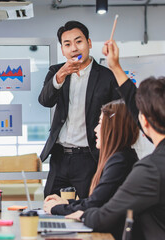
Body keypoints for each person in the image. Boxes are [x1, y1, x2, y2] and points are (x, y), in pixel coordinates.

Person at [65, 41, 165, 239]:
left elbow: (104, 218)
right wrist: (115, 67)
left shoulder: (151, 170)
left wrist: (83, 213)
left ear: (144, 121)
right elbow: (139, 110)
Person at [38, 20, 121, 199]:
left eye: (79, 41)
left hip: (89, 156)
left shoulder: (106, 76)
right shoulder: (56, 71)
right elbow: (45, 101)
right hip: (60, 155)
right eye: (67, 44)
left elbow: (118, 115)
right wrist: (61, 75)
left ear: (89, 43)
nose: (74, 48)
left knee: (87, 208)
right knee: (50, 204)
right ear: (62, 50)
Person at [43, 99, 139, 219]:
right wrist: (67, 203)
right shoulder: (122, 157)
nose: (95, 129)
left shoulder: (120, 162)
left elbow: (94, 204)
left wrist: (55, 208)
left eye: (100, 123)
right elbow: (96, 200)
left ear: (113, 128)